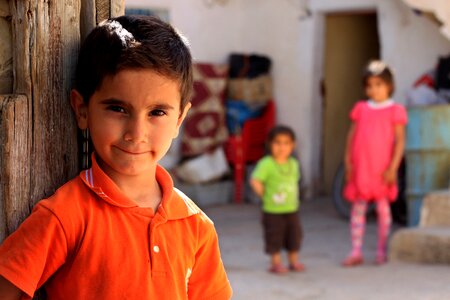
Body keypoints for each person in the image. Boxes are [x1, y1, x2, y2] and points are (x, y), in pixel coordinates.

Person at [0, 15, 232, 299]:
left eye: (157, 112)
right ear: (82, 110)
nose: (136, 133)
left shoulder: (196, 225)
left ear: (179, 119)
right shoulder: (65, 215)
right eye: (118, 109)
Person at [342, 60, 407, 266]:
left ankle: (381, 251)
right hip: (361, 168)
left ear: (389, 86)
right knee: (358, 209)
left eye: (379, 84)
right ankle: (356, 250)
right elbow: (351, 136)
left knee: (383, 211)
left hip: (382, 169)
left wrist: (393, 168)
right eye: (369, 85)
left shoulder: (395, 110)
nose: (374, 90)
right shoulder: (361, 109)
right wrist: (348, 161)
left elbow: (400, 142)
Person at [250, 125, 305, 274]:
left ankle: (293, 261)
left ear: (293, 145)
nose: (282, 147)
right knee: (274, 237)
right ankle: (276, 263)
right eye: (277, 143)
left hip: (292, 209)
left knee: (294, 236)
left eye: (286, 143)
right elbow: (255, 180)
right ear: (270, 144)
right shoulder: (267, 164)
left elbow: (296, 182)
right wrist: (263, 194)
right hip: (272, 211)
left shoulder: (293, 164)